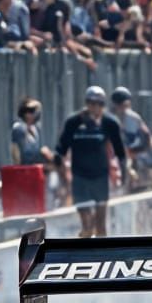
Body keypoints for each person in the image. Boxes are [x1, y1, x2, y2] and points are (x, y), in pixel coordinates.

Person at [56, 85, 127, 237]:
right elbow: (61, 148)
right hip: (80, 177)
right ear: (87, 103)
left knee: (100, 225)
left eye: (99, 104)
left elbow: (120, 151)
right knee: (87, 226)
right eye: (92, 103)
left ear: (104, 105)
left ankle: (102, 256)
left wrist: (124, 173)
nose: (95, 107)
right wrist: (60, 172)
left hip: (100, 177)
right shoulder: (73, 122)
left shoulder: (110, 123)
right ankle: (84, 247)